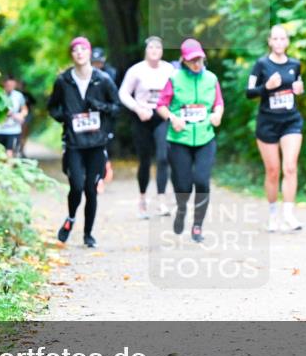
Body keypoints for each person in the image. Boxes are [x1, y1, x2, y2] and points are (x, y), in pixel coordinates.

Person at [48, 37, 121, 248]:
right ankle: (71, 218)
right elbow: (52, 107)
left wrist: (99, 106)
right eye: (75, 50)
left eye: (83, 49)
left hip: (97, 143)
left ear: (89, 53)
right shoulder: (63, 81)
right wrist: (66, 118)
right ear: (72, 55)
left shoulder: (103, 79)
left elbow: (116, 107)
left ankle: (88, 234)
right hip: (73, 143)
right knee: (77, 185)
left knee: (91, 189)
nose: (79, 53)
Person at [156, 39, 224, 243]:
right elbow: (161, 105)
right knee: (183, 185)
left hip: (205, 137)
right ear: (184, 61)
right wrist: (172, 118)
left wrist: (217, 114)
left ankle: (197, 226)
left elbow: (218, 102)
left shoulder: (211, 78)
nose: (196, 63)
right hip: (180, 139)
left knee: (202, 181)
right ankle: (182, 209)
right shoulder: (174, 79)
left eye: (199, 59)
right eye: (192, 60)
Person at [247, 25, 305, 232]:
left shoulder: (295, 64)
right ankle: (273, 214)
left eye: (283, 39)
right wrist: (267, 88)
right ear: (269, 41)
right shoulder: (261, 64)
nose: (279, 42)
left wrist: (300, 89)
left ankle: (288, 214)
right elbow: (249, 92)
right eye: (275, 39)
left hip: (291, 121)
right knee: (273, 171)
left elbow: (298, 85)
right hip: (267, 123)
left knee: (289, 167)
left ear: (287, 42)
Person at [119, 36, 176, 219]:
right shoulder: (136, 70)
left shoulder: (169, 70)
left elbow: (178, 91)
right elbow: (123, 93)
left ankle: (161, 200)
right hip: (142, 118)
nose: (154, 50)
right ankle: (142, 199)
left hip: (161, 117)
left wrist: (173, 113)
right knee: (144, 160)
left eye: (158, 47)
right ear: (146, 50)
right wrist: (137, 108)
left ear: (162, 51)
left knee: (163, 158)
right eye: (151, 47)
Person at [91, 47, 117, 190]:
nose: (96, 66)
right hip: (91, 116)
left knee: (104, 144)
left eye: (98, 62)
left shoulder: (110, 74)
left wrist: (104, 107)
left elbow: (114, 99)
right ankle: (98, 177)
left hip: (106, 116)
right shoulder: (86, 74)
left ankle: (103, 168)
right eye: (94, 62)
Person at [0, 74, 27, 159]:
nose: (10, 87)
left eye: (12, 85)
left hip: (13, 130)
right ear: (4, 84)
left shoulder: (18, 96)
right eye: (8, 85)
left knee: (10, 152)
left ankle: (9, 169)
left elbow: (25, 109)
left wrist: (20, 115)